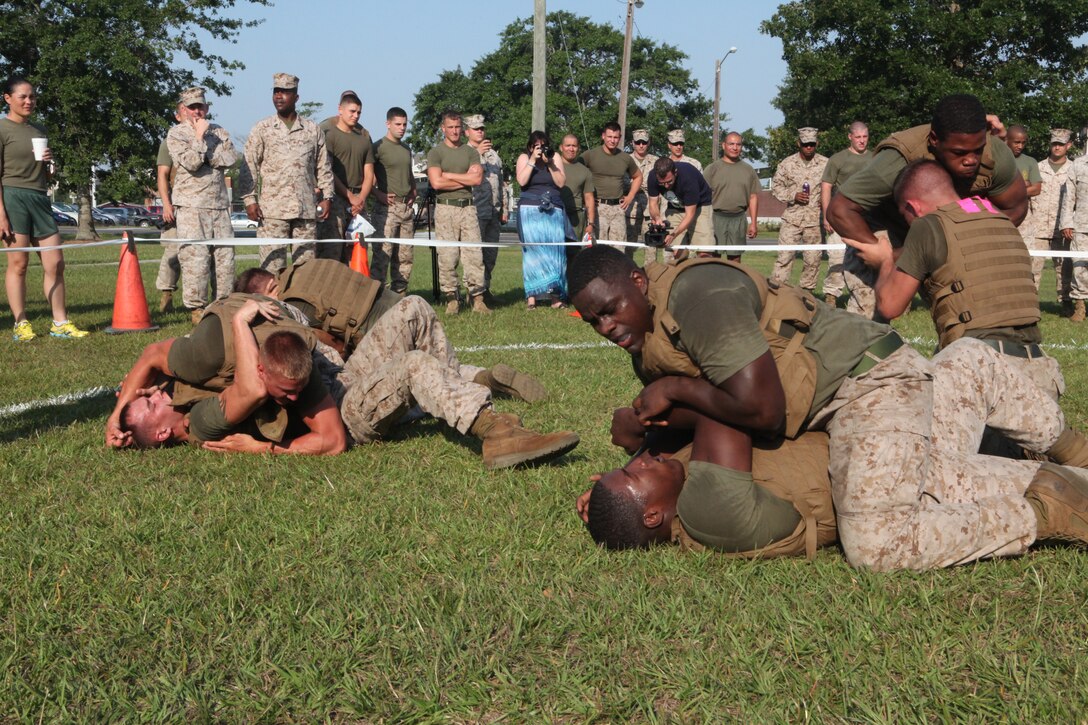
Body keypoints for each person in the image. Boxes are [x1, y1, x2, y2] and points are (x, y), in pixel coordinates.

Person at [567, 245, 1088, 571]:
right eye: (593, 322)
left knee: (877, 540)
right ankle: (1062, 468)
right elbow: (699, 420)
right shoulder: (653, 339)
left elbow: (760, 411)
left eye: (610, 310)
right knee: (953, 407)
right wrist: (633, 453)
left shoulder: (696, 297)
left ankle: (1047, 501)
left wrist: (657, 412)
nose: (606, 327)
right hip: (868, 399)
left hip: (866, 389)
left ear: (639, 282)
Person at [845, 159, 1063, 401]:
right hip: (1039, 373)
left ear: (913, 207)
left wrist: (885, 261)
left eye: (903, 215)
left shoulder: (927, 225)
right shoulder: (998, 217)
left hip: (978, 371)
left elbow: (890, 305)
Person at [235, 261, 549, 405]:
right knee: (436, 365)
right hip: (394, 304)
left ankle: (470, 398)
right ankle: (483, 376)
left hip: (380, 327)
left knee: (412, 378)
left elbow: (329, 344)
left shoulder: (289, 303)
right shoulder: (303, 268)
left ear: (262, 294)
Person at [828, 94, 1028, 318]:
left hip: (948, 233)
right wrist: (885, 255)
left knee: (968, 312)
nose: (971, 160)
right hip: (885, 228)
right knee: (870, 318)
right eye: (959, 152)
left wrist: (966, 238)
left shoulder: (994, 154)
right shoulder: (898, 159)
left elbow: (1016, 207)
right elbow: (840, 209)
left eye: (977, 150)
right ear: (934, 139)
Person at [576, 400, 836, 558]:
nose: (640, 462)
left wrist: (612, 490)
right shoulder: (709, 510)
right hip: (867, 460)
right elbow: (729, 405)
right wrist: (637, 422)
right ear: (653, 516)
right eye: (634, 472)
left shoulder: (677, 484)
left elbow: (668, 441)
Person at [108, 295, 348, 455]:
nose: (156, 392)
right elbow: (253, 390)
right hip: (284, 335)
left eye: (149, 395)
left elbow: (151, 355)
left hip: (280, 317)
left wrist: (116, 413)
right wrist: (241, 321)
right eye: (151, 403)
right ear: (162, 433)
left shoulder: (201, 357)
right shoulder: (200, 423)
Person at [0, 76, 87, 341]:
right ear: (7, 99)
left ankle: (59, 323)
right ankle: (21, 323)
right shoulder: (2, 129)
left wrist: (50, 167)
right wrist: (1, 214)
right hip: (12, 197)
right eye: (23, 97)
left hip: (39, 198)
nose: (29, 101)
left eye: (33, 97)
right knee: (19, 263)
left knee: (56, 262)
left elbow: (44, 175)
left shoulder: (39, 130)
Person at [238, 73, 336, 273]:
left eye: (285, 92)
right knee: (272, 270)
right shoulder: (262, 128)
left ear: (296, 97)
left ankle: (301, 305)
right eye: (276, 92)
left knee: (305, 270)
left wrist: (327, 197)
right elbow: (249, 166)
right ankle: (273, 304)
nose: (279, 96)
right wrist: (250, 200)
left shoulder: (311, 129)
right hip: (272, 212)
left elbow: (323, 166)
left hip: (305, 211)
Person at [166, 86, 238, 324]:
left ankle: (224, 305)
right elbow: (191, 162)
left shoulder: (219, 131)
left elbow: (230, 158)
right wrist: (199, 138)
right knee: (195, 259)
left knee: (225, 258)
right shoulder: (176, 134)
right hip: (191, 206)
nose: (198, 111)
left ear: (207, 108)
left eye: (201, 106)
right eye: (192, 107)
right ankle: (197, 308)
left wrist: (207, 154)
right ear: (184, 110)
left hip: (218, 205)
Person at [427, 110, 487, 314]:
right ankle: (452, 297)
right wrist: (463, 177)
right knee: (447, 255)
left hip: (468, 207)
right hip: (445, 208)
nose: (454, 131)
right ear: (443, 128)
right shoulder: (436, 152)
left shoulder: (470, 152)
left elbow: (476, 180)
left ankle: (477, 298)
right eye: (450, 127)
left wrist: (449, 175)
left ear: (462, 129)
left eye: (457, 127)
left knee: (473, 254)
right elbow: (436, 182)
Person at [317, 90, 375, 263]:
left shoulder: (364, 138)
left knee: (357, 252)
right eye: (352, 111)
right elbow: (327, 170)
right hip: (336, 198)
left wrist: (361, 198)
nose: (356, 116)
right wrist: (349, 196)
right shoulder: (329, 134)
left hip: (359, 201)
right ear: (340, 110)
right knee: (332, 251)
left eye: (358, 112)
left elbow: (369, 172)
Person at [515, 131, 571, 309]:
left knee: (554, 253)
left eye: (543, 145)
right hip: (530, 210)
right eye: (537, 146)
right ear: (530, 147)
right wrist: (532, 160)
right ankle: (532, 297)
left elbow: (561, 183)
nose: (541, 149)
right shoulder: (524, 158)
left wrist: (551, 164)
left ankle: (555, 297)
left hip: (553, 210)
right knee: (533, 253)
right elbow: (522, 181)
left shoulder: (555, 158)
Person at [819, 121, 871, 305]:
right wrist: (827, 216)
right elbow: (826, 187)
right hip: (840, 216)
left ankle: (864, 297)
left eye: (865, 137)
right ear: (850, 137)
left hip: (866, 218)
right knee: (837, 258)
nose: (862, 141)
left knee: (867, 258)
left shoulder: (875, 159)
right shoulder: (838, 159)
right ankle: (831, 297)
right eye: (858, 137)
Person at [770, 127, 828, 292]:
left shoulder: (826, 164)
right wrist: (792, 195)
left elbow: (834, 188)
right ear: (798, 143)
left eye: (811, 144)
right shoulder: (787, 164)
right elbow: (776, 187)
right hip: (792, 219)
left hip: (815, 221)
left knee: (813, 261)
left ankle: (805, 297)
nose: (808, 147)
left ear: (817, 143)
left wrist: (826, 203)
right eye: (805, 144)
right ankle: (777, 293)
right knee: (784, 258)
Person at [370, 107, 417, 294]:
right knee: (383, 255)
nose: (402, 128)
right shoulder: (378, 147)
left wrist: (413, 190)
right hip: (386, 209)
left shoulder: (406, 149)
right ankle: (376, 296)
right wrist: (377, 193)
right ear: (387, 124)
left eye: (405, 124)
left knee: (405, 256)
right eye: (398, 124)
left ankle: (400, 294)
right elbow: (365, 176)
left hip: (405, 208)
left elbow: (408, 173)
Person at [580, 122, 641, 250]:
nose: (612, 140)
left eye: (615, 137)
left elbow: (638, 177)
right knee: (596, 249)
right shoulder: (590, 155)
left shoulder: (625, 158)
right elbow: (576, 172)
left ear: (619, 138)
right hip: (597, 208)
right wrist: (583, 198)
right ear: (603, 136)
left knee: (619, 250)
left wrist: (630, 196)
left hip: (618, 209)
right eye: (609, 137)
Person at [465, 115, 507, 301]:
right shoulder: (465, 153)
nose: (480, 131)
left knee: (490, 255)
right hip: (474, 210)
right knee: (475, 255)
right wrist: (478, 155)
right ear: (467, 132)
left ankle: (486, 288)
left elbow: (501, 182)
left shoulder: (494, 154)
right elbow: (464, 177)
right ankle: (473, 293)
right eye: (476, 129)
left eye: (482, 128)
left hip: (493, 210)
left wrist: (504, 209)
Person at [703, 131, 760, 261]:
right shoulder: (712, 169)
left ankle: (733, 282)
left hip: (738, 218)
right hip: (716, 218)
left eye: (738, 144)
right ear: (724, 145)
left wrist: (753, 223)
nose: (735, 148)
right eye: (731, 144)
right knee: (714, 258)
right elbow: (702, 197)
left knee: (735, 259)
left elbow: (753, 197)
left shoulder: (748, 170)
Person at [1034, 129, 1074, 309]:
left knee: (1064, 267)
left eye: (1061, 144)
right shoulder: (1037, 167)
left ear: (1068, 145)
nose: (1057, 147)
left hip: (1063, 227)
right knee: (1033, 268)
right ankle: (1030, 303)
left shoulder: (1074, 169)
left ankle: (1065, 302)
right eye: (1054, 144)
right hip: (1038, 226)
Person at [647, 158, 715, 259]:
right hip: (675, 207)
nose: (666, 186)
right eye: (662, 183)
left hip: (699, 207)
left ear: (675, 172)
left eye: (669, 181)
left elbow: (690, 214)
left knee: (704, 253)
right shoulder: (653, 177)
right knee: (677, 252)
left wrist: (674, 234)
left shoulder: (688, 177)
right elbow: (653, 203)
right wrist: (657, 218)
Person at [155, 102, 183, 313]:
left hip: (201, 207)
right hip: (176, 208)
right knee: (172, 255)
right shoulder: (169, 143)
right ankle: (166, 295)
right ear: (178, 116)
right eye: (186, 111)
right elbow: (162, 175)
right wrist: (166, 205)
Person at [1058, 138, 1088, 323]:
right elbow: (1069, 197)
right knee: (1079, 266)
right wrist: (1066, 223)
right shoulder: (1078, 165)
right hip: (1082, 225)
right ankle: (1080, 306)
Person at [558, 134, 596, 266]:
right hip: (555, 216)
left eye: (574, 146)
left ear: (578, 148)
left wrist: (591, 223)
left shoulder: (585, 171)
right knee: (556, 253)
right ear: (561, 147)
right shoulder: (552, 166)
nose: (571, 149)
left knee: (574, 255)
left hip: (576, 218)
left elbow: (589, 198)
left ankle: (573, 285)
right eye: (568, 145)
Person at [626, 129, 659, 262]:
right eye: (638, 142)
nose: (641, 145)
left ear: (648, 143)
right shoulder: (625, 160)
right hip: (630, 210)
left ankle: (651, 278)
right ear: (632, 143)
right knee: (628, 247)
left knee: (651, 248)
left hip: (650, 211)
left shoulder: (656, 161)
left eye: (644, 142)